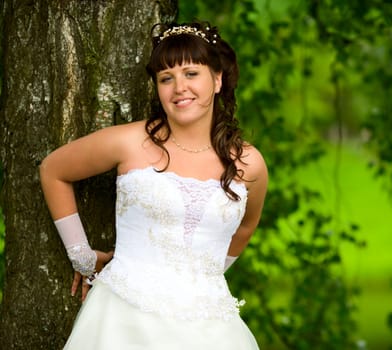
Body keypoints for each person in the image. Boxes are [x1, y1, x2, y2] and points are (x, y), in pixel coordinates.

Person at [39, 20, 267, 349]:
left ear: (217, 80)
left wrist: (204, 277)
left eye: (191, 74)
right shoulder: (130, 142)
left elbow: (246, 226)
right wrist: (83, 258)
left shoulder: (248, 164)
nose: (179, 88)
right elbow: (53, 170)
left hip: (210, 326)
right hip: (122, 318)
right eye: (166, 78)